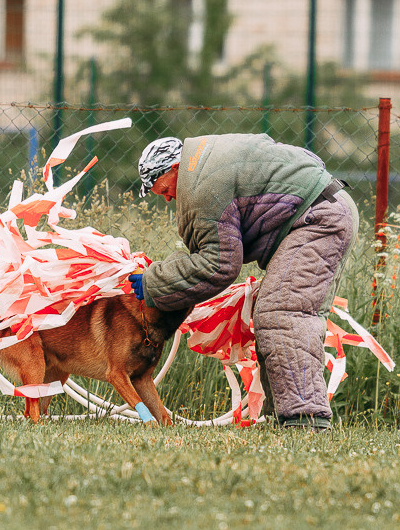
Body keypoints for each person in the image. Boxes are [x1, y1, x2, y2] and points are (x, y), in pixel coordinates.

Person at [128, 134, 358, 431]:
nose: (168, 198)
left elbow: (218, 265)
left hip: (319, 219)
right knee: (272, 309)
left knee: (283, 312)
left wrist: (154, 283)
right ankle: (287, 418)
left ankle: (306, 420)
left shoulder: (201, 185)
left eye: (163, 190)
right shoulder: (206, 158)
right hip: (323, 206)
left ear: (174, 168)